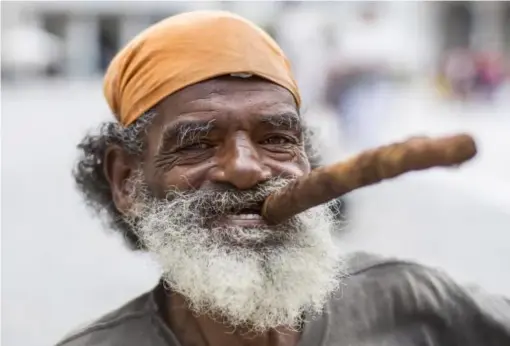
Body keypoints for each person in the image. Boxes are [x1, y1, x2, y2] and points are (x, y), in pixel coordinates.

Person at [58, 10, 510, 346]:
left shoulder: (409, 301)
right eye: (197, 143)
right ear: (127, 181)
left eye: (276, 138)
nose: (246, 169)